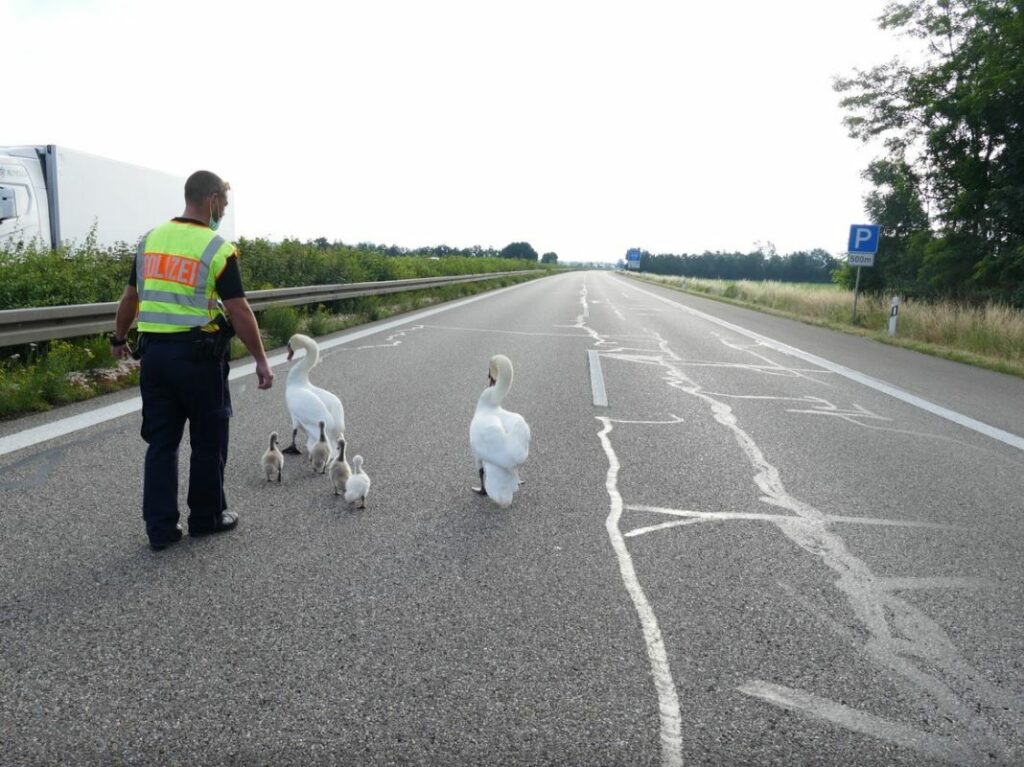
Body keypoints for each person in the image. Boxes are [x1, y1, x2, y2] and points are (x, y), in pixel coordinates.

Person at [111, 170, 274, 551]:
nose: (224, 211)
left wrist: (119, 339)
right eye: (225, 204)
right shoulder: (216, 248)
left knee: (161, 443)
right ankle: (206, 517)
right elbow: (238, 309)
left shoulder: (149, 242)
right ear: (213, 199)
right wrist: (262, 361)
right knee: (208, 439)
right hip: (199, 360)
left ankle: (161, 529)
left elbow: (129, 300)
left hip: (154, 359)